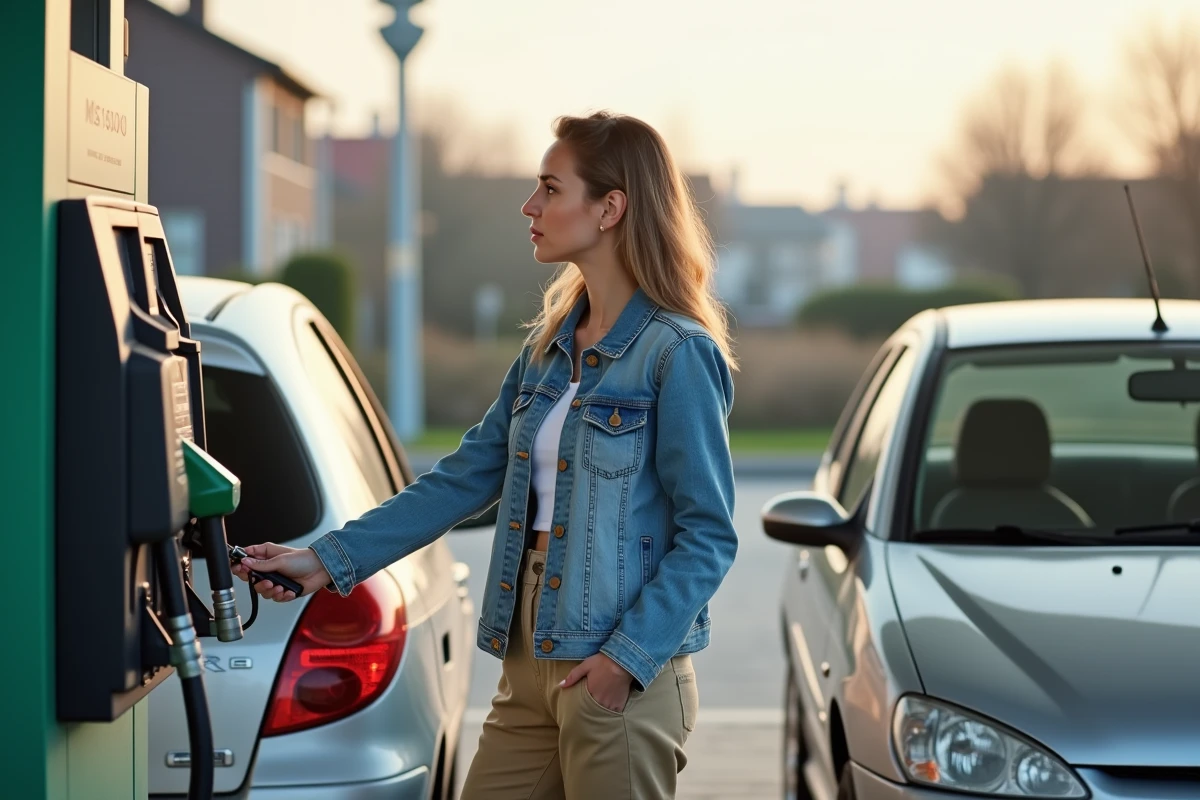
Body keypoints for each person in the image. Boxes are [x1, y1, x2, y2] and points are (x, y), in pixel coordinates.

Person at [231, 110, 738, 799]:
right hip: (527, 661)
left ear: (610, 207)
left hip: (617, 670)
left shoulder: (677, 354)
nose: (530, 206)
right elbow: (464, 479)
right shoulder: (549, 348)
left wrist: (628, 657)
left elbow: (708, 534)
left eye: (551, 189)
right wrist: (323, 559)